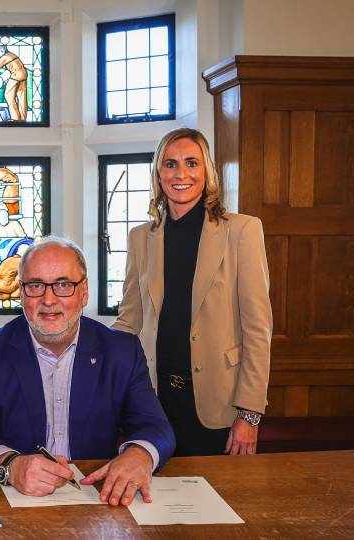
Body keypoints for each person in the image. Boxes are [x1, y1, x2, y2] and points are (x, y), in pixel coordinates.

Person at [0, 237, 174, 507]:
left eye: (64, 285)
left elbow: (156, 426)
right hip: (11, 500)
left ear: (84, 291)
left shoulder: (121, 350)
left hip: (96, 498)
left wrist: (139, 454)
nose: (49, 299)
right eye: (36, 285)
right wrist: (10, 465)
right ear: (21, 292)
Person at [113, 127, 272, 456]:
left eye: (191, 163)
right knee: (155, 504)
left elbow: (258, 330)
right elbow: (129, 321)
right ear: (158, 173)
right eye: (170, 164)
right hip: (153, 403)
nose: (181, 174)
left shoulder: (242, 230)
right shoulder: (141, 238)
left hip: (220, 406)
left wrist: (249, 414)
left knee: (217, 504)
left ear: (207, 170)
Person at [0, 46, 28, 122]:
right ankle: (23, 119)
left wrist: (2, 71)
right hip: (23, 75)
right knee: (21, 97)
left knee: (8, 96)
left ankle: (15, 119)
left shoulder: (5, 57)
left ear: (2, 50)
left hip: (16, 76)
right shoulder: (12, 54)